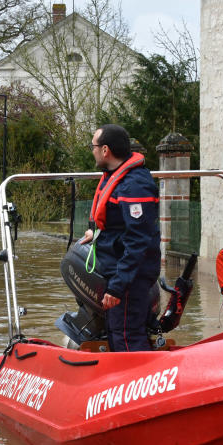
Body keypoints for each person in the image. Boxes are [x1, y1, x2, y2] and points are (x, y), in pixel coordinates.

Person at [80, 124, 160, 351]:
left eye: (93, 146)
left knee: (126, 334)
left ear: (105, 150)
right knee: (116, 331)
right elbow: (116, 224)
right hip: (117, 268)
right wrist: (94, 233)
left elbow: (138, 240)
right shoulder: (115, 175)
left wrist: (117, 287)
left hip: (129, 275)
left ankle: (140, 381)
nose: (92, 151)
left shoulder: (134, 185)